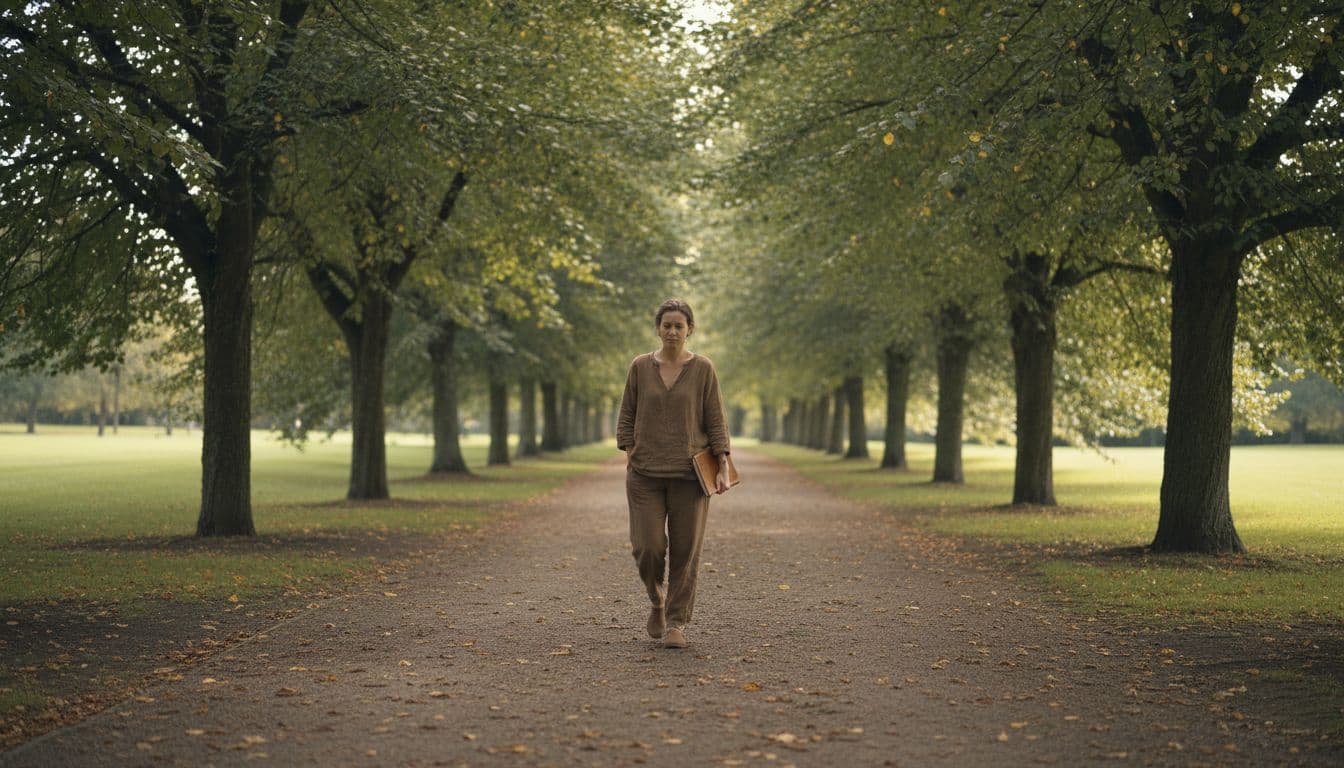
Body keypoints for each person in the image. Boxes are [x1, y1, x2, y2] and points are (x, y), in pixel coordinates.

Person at [616, 298, 731, 649]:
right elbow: (627, 416)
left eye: (679, 325)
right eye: (667, 325)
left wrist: (722, 463)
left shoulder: (703, 369)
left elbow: (715, 419)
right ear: (658, 328)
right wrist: (631, 450)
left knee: (686, 551)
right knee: (647, 547)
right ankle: (657, 600)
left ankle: (677, 623)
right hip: (645, 475)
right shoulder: (639, 367)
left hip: (689, 476)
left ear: (689, 329)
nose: (672, 331)